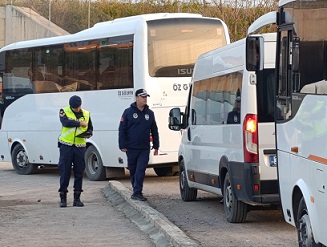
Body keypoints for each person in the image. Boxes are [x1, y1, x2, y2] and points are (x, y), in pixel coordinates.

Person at [118, 88, 159, 201]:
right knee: (133, 169)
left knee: (141, 170)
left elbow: (154, 130)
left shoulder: (150, 114)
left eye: (146, 97)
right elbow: (122, 129)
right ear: (137, 98)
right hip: (131, 147)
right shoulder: (128, 112)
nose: (145, 99)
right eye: (143, 97)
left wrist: (156, 145)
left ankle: (137, 192)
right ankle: (135, 189)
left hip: (144, 148)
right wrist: (122, 144)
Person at [57, 95, 93, 208]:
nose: (77, 109)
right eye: (74, 108)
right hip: (66, 146)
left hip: (80, 146)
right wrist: (79, 123)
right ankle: (63, 198)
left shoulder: (86, 114)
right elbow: (65, 123)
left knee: (79, 172)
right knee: (65, 172)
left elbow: (90, 127)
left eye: (78, 107)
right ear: (70, 106)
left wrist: (89, 133)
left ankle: (77, 199)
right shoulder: (64, 111)